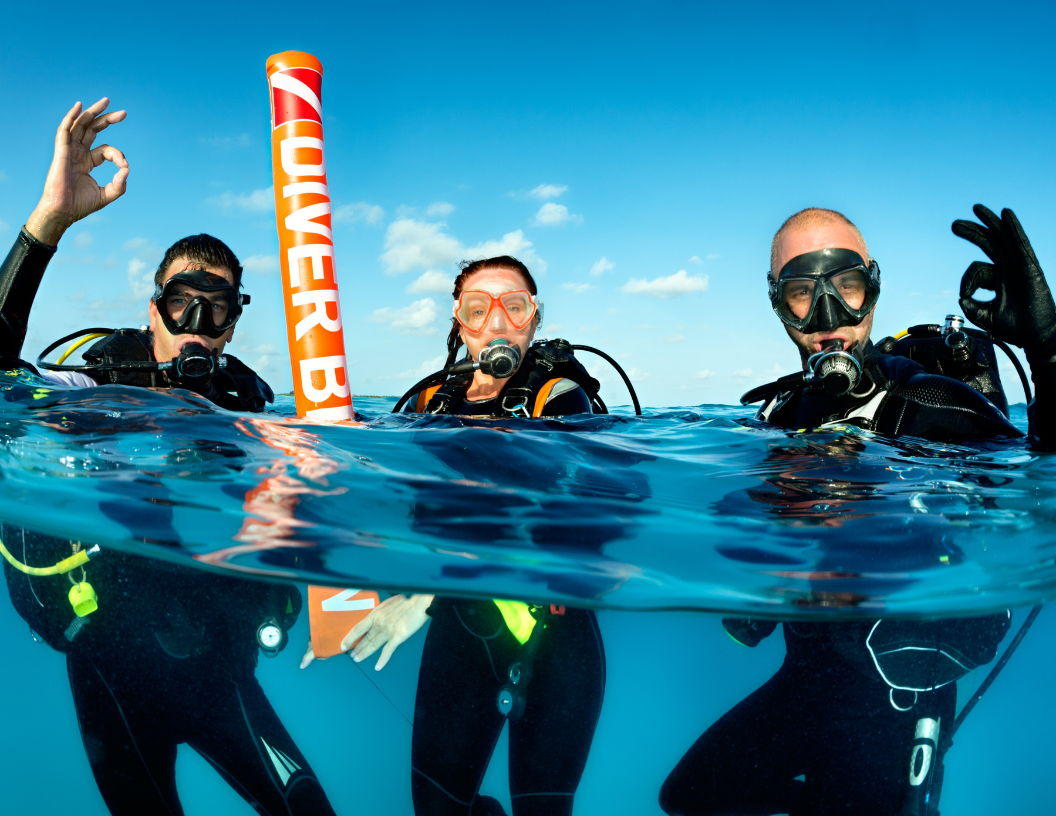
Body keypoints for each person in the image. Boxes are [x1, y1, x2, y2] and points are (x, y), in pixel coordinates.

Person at [659, 206, 1056, 816]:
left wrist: (1050, 355)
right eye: (800, 294)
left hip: (897, 697)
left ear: (874, 287)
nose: (827, 319)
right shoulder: (778, 420)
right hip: (805, 687)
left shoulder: (928, 404)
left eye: (846, 286)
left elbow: (1037, 478)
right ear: (776, 304)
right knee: (689, 796)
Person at [0, 98, 337, 816]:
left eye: (217, 311)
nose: (196, 327)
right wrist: (47, 223)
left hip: (219, 674)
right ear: (152, 310)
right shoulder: (92, 386)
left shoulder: (247, 410)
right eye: (181, 303)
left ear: (234, 324)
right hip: (110, 672)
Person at [303, 256, 610, 816]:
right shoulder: (429, 405)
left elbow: (542, 508)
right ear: (460, 323)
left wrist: (424, 596)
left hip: (558, 640)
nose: (496, 323)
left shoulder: (558, 397)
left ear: (534, 321)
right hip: (461, 637)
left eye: (513, 307)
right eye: (478, 309)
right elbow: (376, 493)